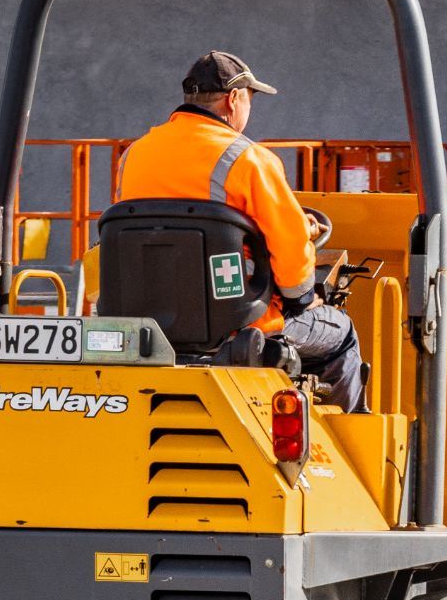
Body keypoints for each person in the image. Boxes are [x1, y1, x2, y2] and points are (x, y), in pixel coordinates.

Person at [111, 50, 365, 411]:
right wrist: (305, 297)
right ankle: (343, 443)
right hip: (237, 326)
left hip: (149, 324)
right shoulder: (248, 160)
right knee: (341, 334)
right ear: (234, 99)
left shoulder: (134, 156)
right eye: (250, 98)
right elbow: (291, 262)